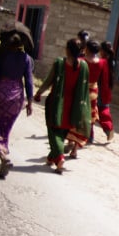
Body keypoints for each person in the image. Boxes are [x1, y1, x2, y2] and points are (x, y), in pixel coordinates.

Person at [33, 38, 91, 174]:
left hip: (57, 104)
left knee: (54, 133)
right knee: (62, 133)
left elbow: (48, 80)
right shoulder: (84, 66)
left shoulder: (60, 63)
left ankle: (59, 159)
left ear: (67, 49)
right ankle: (50, 158)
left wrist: (39, 92)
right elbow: (85, 90)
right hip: (74, 108)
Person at [0, 32, 34, 179]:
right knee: (4, 129)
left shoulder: (1, 55)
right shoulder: (27, 59)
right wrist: (29, 102)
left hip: (0, 94)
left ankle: (3, 158)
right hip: (17, 97)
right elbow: (29, 81)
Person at [66, 39, 112, 156]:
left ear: (86, 49)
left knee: (75, 116)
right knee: (87, 118)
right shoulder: (102, 63)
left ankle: (71, 140)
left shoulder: (81, 61)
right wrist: (105, 96)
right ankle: (77, 147)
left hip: (80, 91)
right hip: (93, 93)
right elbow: (104, 81)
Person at [98, 40, 115, 142]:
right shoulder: (112, 61)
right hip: (107, 89)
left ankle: (108, 129)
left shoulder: (103, 62)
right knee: (104, 110)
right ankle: (109, 129)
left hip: (101, 89)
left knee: (100, 111)